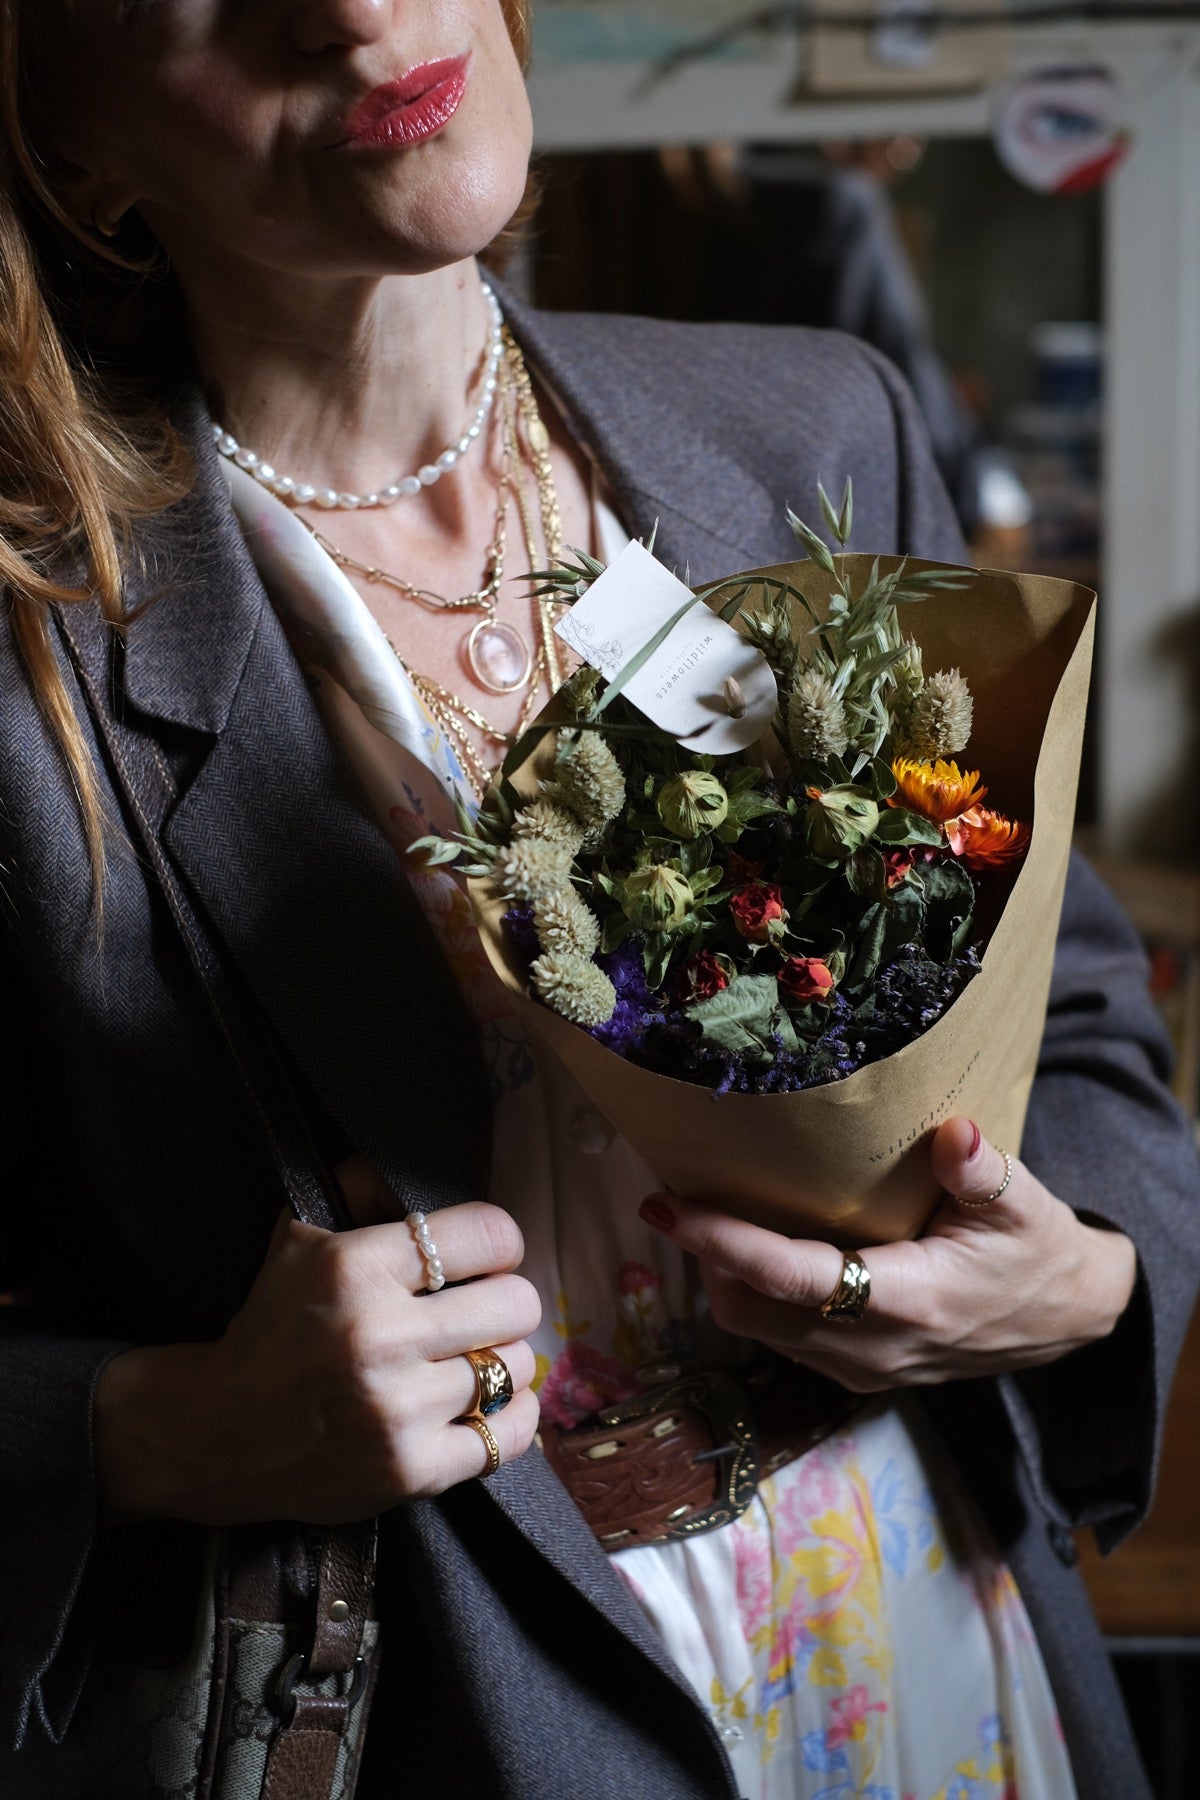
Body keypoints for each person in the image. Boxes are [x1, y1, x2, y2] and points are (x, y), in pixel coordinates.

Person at [0, 3, 1195, 1798]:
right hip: (460, 1714)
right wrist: (163, 1432)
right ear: (72, 138)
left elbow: (1083, 1020)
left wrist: (1083, 1275)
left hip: (933, 1619)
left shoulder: (810, 409)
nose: (346, 8)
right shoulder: (31, 658)